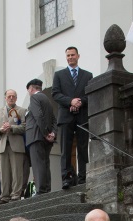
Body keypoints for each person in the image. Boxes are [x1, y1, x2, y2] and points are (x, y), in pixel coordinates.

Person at [51, 46, 93, 189]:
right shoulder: (59, 75)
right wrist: (70, 101)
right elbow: (55, 94)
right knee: (66, 150)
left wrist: (80, 102)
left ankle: (83, 178)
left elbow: (90, 94)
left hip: (82, 116)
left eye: (72, 55)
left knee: (82, 148)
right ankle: (67, 178)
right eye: (68, 55)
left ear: (78, 56)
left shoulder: (87, 75)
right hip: (65, 117)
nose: (70, 57)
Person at [0, 89, 28, 203]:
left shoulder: (21, 110)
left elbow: (25, 127)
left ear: (16, 98)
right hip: (2, 145)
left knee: (17, 171)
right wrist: (1, 130)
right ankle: (5, 196)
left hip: (16, 144)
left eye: (13, 96)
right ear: (5, 97)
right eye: (9, 96)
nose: (11, 98)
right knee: (4, 172)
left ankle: (16, 194)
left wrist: (12, 127)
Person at [24, 78, 57, 195]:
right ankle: (47, 189)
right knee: (45, 163)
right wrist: (52, 133)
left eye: (28, 90)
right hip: (45, 138)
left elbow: (38, 116)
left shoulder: (34, 98)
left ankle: (41, 191)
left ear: (31, 88)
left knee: (38, 164)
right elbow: (53, 119)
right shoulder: (47, 99)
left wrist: (45, 133)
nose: (28, 92)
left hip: (36, 136)